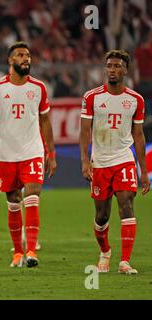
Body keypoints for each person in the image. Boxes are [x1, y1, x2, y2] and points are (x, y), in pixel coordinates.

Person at [0, 42, 57, 268]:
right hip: (6, 153)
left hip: (32, 151)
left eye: (27, 55)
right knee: (13, 201)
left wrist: (51, 152)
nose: (26, 58)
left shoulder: (38, 88)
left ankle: (32, 250)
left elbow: (45, 120)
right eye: (20, 55)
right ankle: (17, 252)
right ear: (10, 60)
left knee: (32, 195)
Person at [80, 50, 150, 274]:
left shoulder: (135, 100)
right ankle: (105, 251)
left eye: (117, 66)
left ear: (126, 70)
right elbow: (84, 132)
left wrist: (143, 171)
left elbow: (138, 135)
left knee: (127, 205)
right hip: (100, 162)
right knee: (102, 216)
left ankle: (124, 261)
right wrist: (85, 161)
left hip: (123, 159)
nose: (112, 70)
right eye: (109, 66)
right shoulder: (92, 97)